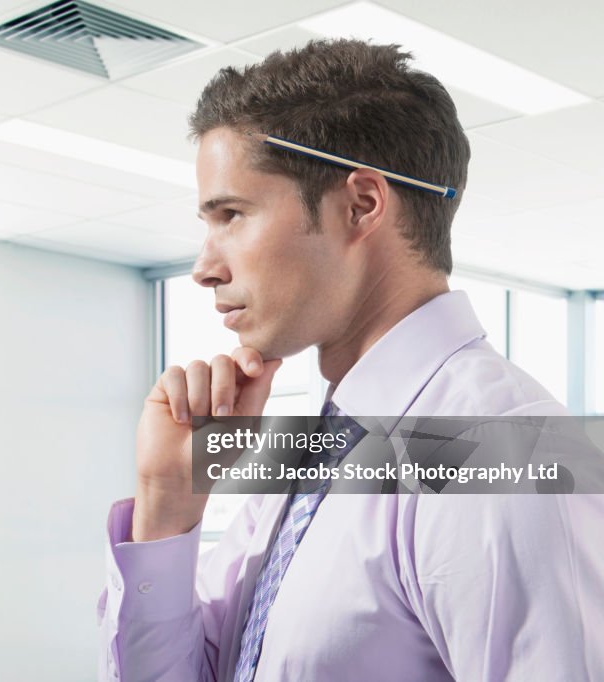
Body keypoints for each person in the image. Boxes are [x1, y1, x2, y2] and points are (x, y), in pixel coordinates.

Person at [97, 39, 604, 681]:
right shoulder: (312, 446)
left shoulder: (500, 448)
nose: (203, 267)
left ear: (360, 205)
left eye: (232, 214)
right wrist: (166, 502)